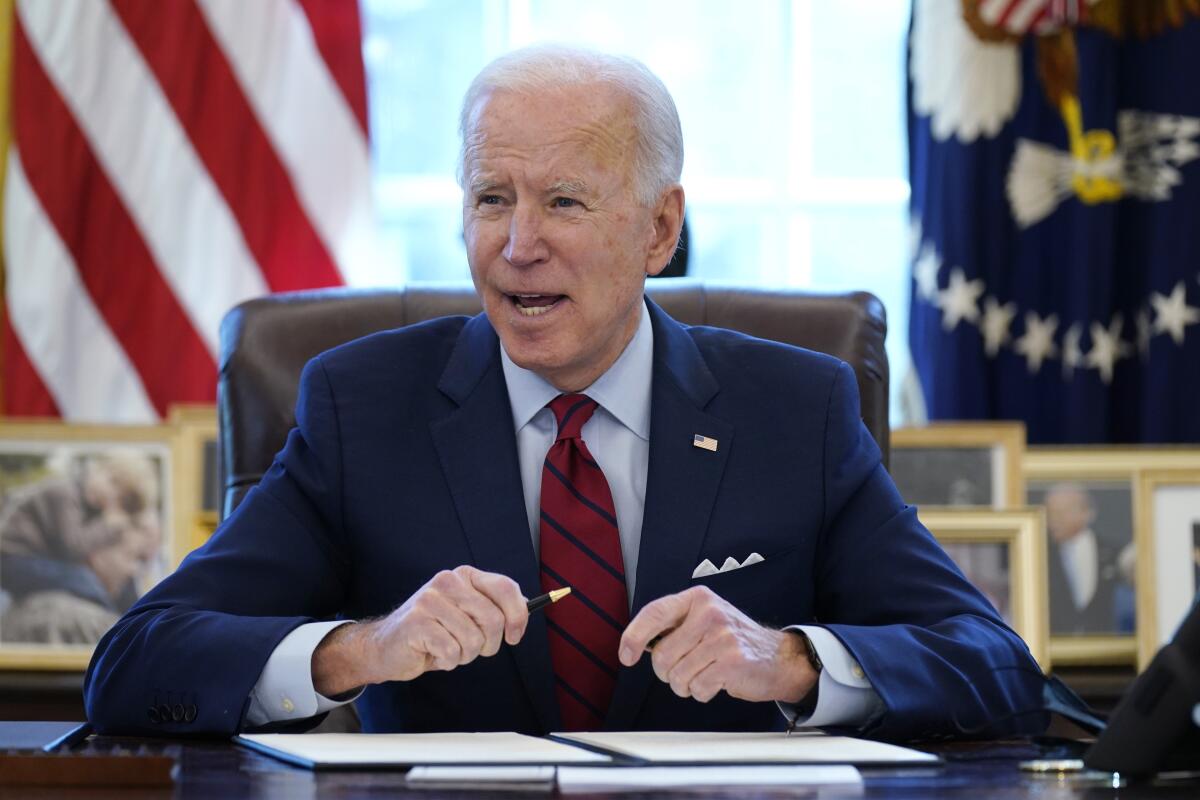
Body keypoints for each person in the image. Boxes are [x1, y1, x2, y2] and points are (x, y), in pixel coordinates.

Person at [85, 45, 1044, 741]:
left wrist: (792, 662)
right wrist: (359, 651)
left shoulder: (795, 409)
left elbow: (997, 666)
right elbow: (138, 664)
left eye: (565, 202)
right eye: (490, 198)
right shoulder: (361, 406)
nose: (517, 246)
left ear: (660, 231)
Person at [0, 453, 163, 644]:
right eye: (133, 557)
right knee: (83, 580)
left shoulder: (81, 503)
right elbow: (73, 547)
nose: (133, 570)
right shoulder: (64, 494)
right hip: (13, 558)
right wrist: (109, 524)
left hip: (30, 561)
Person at [1043, 482, 1123, 634]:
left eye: (1061, 513)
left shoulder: (1113, 553)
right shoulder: (1039, 556)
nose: (1053, 520)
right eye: (1049, 514)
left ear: (1087, 513)